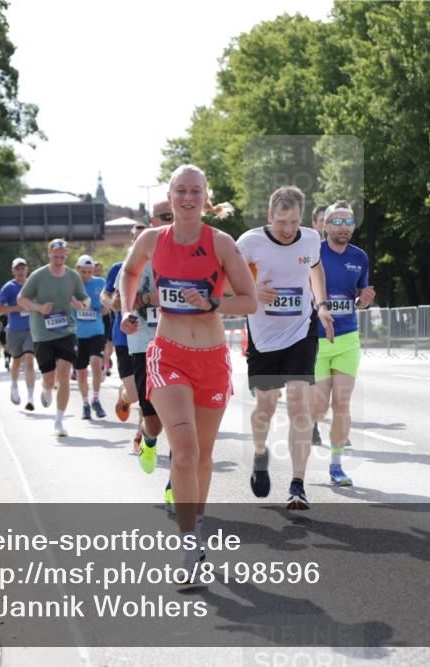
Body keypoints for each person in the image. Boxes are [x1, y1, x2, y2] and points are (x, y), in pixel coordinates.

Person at [120, 164, 256, 584]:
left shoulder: (221, 243)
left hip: (212, 359)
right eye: (180, 190)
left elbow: (249, 300)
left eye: (195, 191)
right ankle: (189, 544)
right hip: (169, 355)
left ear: (205, 197)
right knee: (184, 450)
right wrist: (128, 309)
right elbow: (128, 273)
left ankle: (194, 524)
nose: (187, 197)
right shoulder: (150, 240)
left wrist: (212, 305)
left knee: (202, 455)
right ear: (170, 195)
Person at [236, 185, 333, 509]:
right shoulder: (249, 242)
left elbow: (316, 268)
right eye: (282, 223)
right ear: (269, 217)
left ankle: (297, 484)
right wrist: (252, 289)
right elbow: (225, 280)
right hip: (263, 338)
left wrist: (321, 304)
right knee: (265, 406)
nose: (289, 230)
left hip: (300, 331)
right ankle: (261, 453)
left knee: (298, 405)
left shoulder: (309, 240)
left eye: (294, 222)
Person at [310, 201, 375, 486]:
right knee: (319, 408)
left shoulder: (360, 257)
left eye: (348, 222)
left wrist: (364, 302)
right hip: (316, 340)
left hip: (347, 338)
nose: (343, 227)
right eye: (336, 221)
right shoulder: (313, 253)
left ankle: (336, 466)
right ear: (325, 225)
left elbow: (358, 298)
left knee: (342, 403)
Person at [17, 239, 90, 437]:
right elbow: (21, 299)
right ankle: (46, 388)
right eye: (55, 255)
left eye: (62, 255)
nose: (59, 259)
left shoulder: (72, 276)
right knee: (49, 379)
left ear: (66, 255)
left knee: (65, 374)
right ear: (49, 254)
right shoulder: (38, 276)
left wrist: (81, 305)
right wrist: (39, 308)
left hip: (66, 330)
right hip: (42, 332)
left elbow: (85, 298)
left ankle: (59, 422)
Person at [126, 201, 173, 501]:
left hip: (182, 347)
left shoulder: (196, 249)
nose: (173, 221)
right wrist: (149, 297)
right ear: (153, 220)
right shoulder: (142, 254)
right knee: (154, 421)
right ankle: (149, 439)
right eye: (166, 217)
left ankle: (175, 488)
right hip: (145, 346)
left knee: (181, 422)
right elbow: (124, 296)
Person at [103, 224, 149, 440]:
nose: (141, 242)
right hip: (124, 337)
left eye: (145, 238)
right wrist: (115, 304)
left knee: (148, 391)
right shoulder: (119, 268)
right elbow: (106, 296)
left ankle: (142, 432)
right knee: (133, 393)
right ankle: (123, 397)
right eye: (136, 238)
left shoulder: (160, 266)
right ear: (132, 242)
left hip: (151, 337)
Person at [0, 258, 37, 410]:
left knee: (30, 360)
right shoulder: (9, 287)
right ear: (13, 271)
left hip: (31, 329)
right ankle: (14, 385)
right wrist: (15, 308)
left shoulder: (32, 284)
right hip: (14, 330)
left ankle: (30, 398)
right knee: (17, 361)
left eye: (22, 268)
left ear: (27, 269)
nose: (20, 271)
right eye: (17, 269)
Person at [73, 254, 109, 421]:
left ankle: (95, 399)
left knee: (96, 362)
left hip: (97, 331)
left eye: (89, 272)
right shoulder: (72, 285)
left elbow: (109, 301)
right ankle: (85, 403)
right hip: (78, 334)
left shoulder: (99, 283)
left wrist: (106, 307)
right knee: (81, 372)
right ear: (78, 269)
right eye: (83, 272)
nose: (86, 275)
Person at [96, 261, 115, 376]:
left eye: (99, 270)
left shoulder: (105, 282)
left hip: (108, 318)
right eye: (95, 270)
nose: (97, 272)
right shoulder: (86, 283)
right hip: (94, 320)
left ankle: (105, 365)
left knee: (109, 344)